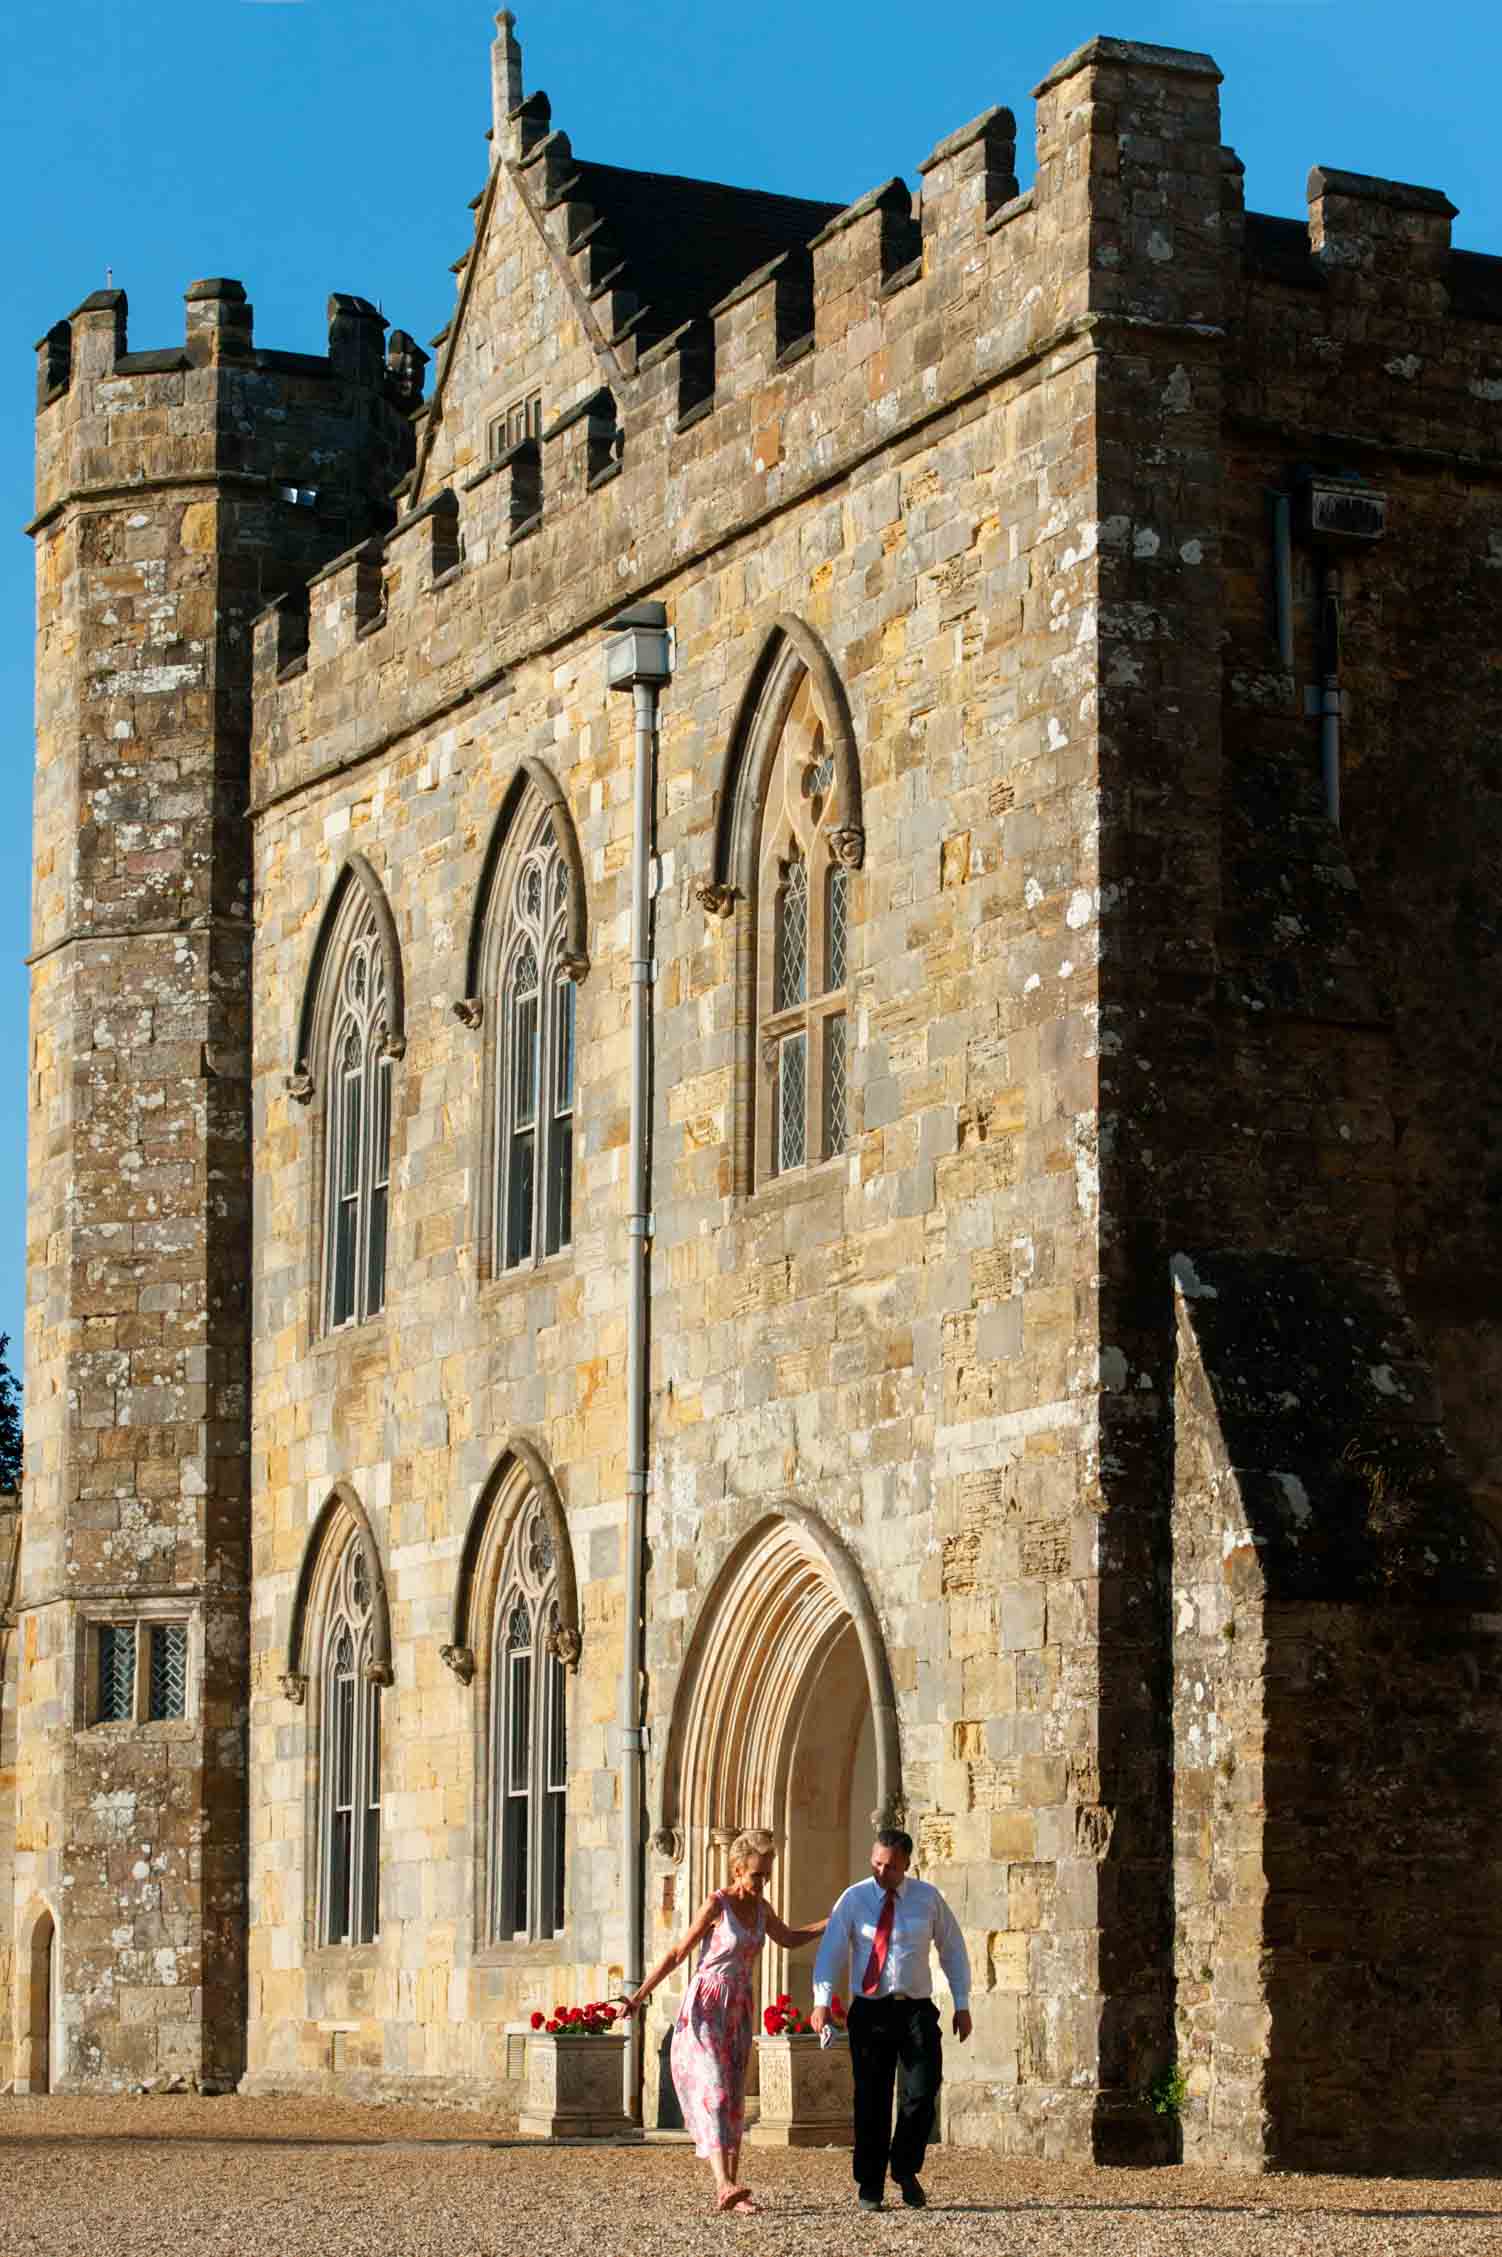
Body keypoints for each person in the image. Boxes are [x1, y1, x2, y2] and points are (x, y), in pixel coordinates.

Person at [618, 1826, 827, 2215]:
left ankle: (735, 2190)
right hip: (707, 2004)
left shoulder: (762, 1909)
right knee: (714, 2088)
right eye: (756, 1874)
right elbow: (678, 1952)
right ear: (737, 1871)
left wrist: (830, 1923)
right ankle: (723, 2183)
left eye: (766, 1874)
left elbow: (790, 1938)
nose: (762, 1882)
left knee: (732, 2097)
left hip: (739, 2007)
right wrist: (639, 1996)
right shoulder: (718, 1905)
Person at [810, 1826, 972, 2212]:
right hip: (870, 2008)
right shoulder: (853, 1899)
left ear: (907, 1865)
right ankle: (870, 2183)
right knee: (871, 2098)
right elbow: (832, 1949)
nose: (882, 1873)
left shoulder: (927, 1899)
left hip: (915, 2008)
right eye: (877, 1864)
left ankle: (903, 2167)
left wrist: (962, 2003)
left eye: (892, 1867)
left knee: (922, 2088)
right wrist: (821, 2001)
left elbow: (953, 1949)